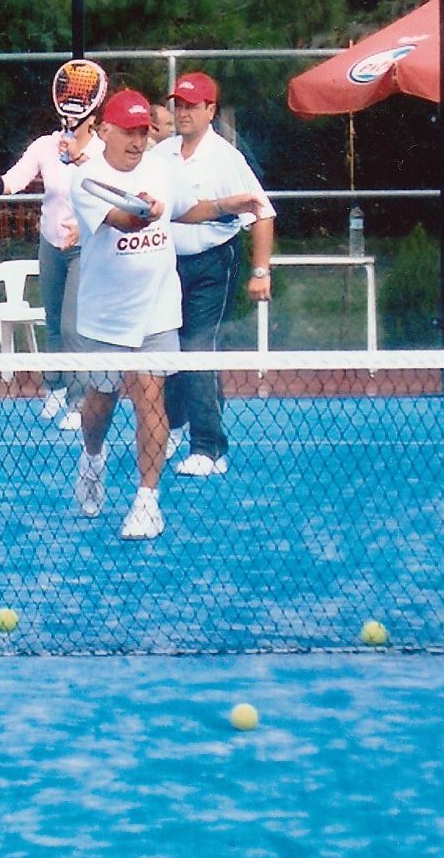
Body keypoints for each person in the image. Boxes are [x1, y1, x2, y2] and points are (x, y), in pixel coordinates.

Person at [69, 89, 266, 539]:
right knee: (101, 399)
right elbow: (124, 221)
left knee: (149, 395)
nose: (138, 142)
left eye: (143, 132)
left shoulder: (161, 166)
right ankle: (92, 461)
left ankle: (145, 501)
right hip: (106, 316)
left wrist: (225, 206)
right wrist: (143, 213)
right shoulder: (88, 181)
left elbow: (185, 209)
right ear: (104, 132)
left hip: (158, 309)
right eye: (128, 133)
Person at [0, 65, 106, 432]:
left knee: (72, 327)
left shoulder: (102, 152)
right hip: (50, 244)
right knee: (53, 323)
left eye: (80, 109)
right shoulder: (44, 146)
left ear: (93, 116)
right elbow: (10, 183)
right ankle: (54, 387)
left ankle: (78, 399)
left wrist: (79, 163)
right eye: (67, 106)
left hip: (87, 248)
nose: (71, 115)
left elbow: (107, 194)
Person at [149, 72, 276, 476]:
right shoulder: (161, 154)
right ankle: (171, 425)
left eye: (192, 106)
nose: (183, 112)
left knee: (196, 348)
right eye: (179, 105)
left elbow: (263, 213)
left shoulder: (227, 158)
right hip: (167, 265)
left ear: (210, 111)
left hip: (213, 262)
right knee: (169, 346)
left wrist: (260, 271)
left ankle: (209, 448)